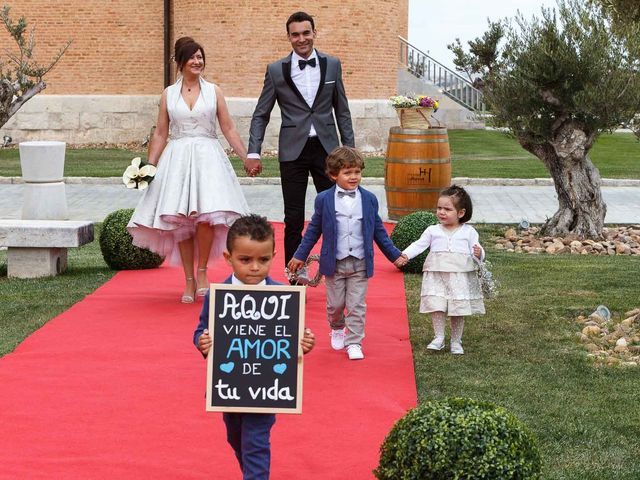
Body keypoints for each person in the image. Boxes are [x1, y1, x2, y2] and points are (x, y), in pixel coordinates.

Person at [127, 37, 261, 304]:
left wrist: (246, 157)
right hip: (177, 160)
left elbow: (228, 128)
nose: (198, 61)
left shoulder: (214, 91)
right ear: (180, 62)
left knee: (205, 218)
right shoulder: (168, 94)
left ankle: (202, 273)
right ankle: (188, 279)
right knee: (181, 221)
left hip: (208, 158)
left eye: (201, 57)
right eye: (192, 57)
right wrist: (150, 166)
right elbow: (161, 132)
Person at [193, 214, 316, 480]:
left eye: (263, 260)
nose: (255, 268)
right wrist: (203, 342)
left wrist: (303, 343)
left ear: (273, 255)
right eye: (245, 260)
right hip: (229, 387)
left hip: (267, 390)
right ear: (229, 258)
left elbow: (289, 338)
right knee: (236, 438)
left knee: (256, 443)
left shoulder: (283, 296)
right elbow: (201, 330)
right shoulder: (218, 296)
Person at [248, 11, 355, 271]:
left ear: (314, 33)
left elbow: (342, 109)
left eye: (306, 33)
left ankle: (336, 268)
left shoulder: (332, 64)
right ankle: (294, 275)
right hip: (292, 151)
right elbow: (261, 113)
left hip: (328, 151)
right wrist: (253, 151)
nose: (301, 39)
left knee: (334, 213)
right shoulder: (276, 70)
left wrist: (349, 150)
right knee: (293, 217)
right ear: (288, 37)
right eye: (295, 34)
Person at [287, 147, 402, 360]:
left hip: (360, 262)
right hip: (334, 263)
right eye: (348, 173)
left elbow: (377, 229)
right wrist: (300, 255)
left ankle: (354, 342)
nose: (354, 177)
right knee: (335, 305)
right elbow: (313, 230)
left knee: (357, 305)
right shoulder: (323, 199)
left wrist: (394, 255)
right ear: (333, 175)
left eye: (357, 172)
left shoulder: (368, 199)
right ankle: (337, 326)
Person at [395, 185, 485, 355]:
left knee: (457, 307)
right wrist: (405, 255)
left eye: (447, 209)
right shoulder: (432, 230)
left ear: (461, 213)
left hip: (458, 276)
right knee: (437, 305)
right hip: (436, 274)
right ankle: (439, 338)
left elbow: (477, 248)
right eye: (439, 208)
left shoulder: (469, 232)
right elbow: (419, 245)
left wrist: (480, 253)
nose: (441, 212)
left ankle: (456, 341)